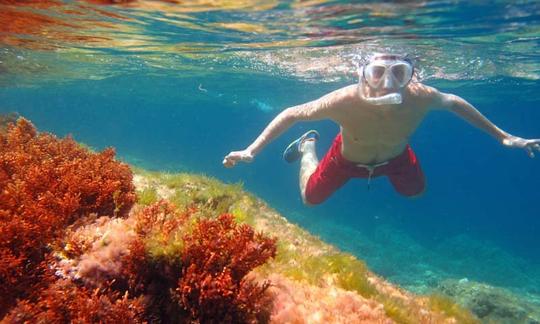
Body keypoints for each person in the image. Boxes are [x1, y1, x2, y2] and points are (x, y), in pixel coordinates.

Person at [222, 53, 540, 205]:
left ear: (411, 75)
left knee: (416, 193)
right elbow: (293, 113)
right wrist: (252, 149)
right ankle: (308, 147)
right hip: (345, 160)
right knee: (309, 199)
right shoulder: (344, 99)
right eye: (376, 73)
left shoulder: (420, 95)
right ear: (362, 73)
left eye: (399, 73)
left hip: (397, 158)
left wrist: (505, 137)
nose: (388, 84)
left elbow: (456, 102)